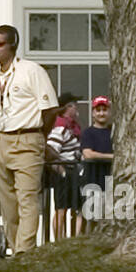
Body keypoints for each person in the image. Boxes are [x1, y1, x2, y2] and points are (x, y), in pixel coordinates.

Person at [0, 24, 58, 255]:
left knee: (27, 200)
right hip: (2, 140)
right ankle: (14, 247)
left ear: (12, 45)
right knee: (8, 204)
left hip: (27, 138)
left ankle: (24, 254)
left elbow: (49, 110)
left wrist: (39, 138)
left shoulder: (31, 70)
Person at [46, 93, 82, 242]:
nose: (76, 108)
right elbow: (50, 149)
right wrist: (59, 167)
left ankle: (72, 238)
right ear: (67, 107)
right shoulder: (60, 128)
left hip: (73, 171)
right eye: (73, 105)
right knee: (61, 208)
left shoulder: (71, 128)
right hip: (64, 171)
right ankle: (59, 239)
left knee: (73, 207)